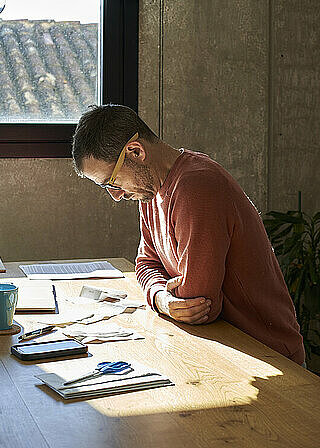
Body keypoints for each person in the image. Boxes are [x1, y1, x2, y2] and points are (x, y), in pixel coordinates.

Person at [72, 104, 306, 366]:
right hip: (221, 348)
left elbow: (198, 306)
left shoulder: (197, 186)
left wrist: (171, 298)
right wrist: (161, 297)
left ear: (135, 152)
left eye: (111, 183)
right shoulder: (149, 190)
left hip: (266, 355)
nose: (116, 196)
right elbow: (146, 264)